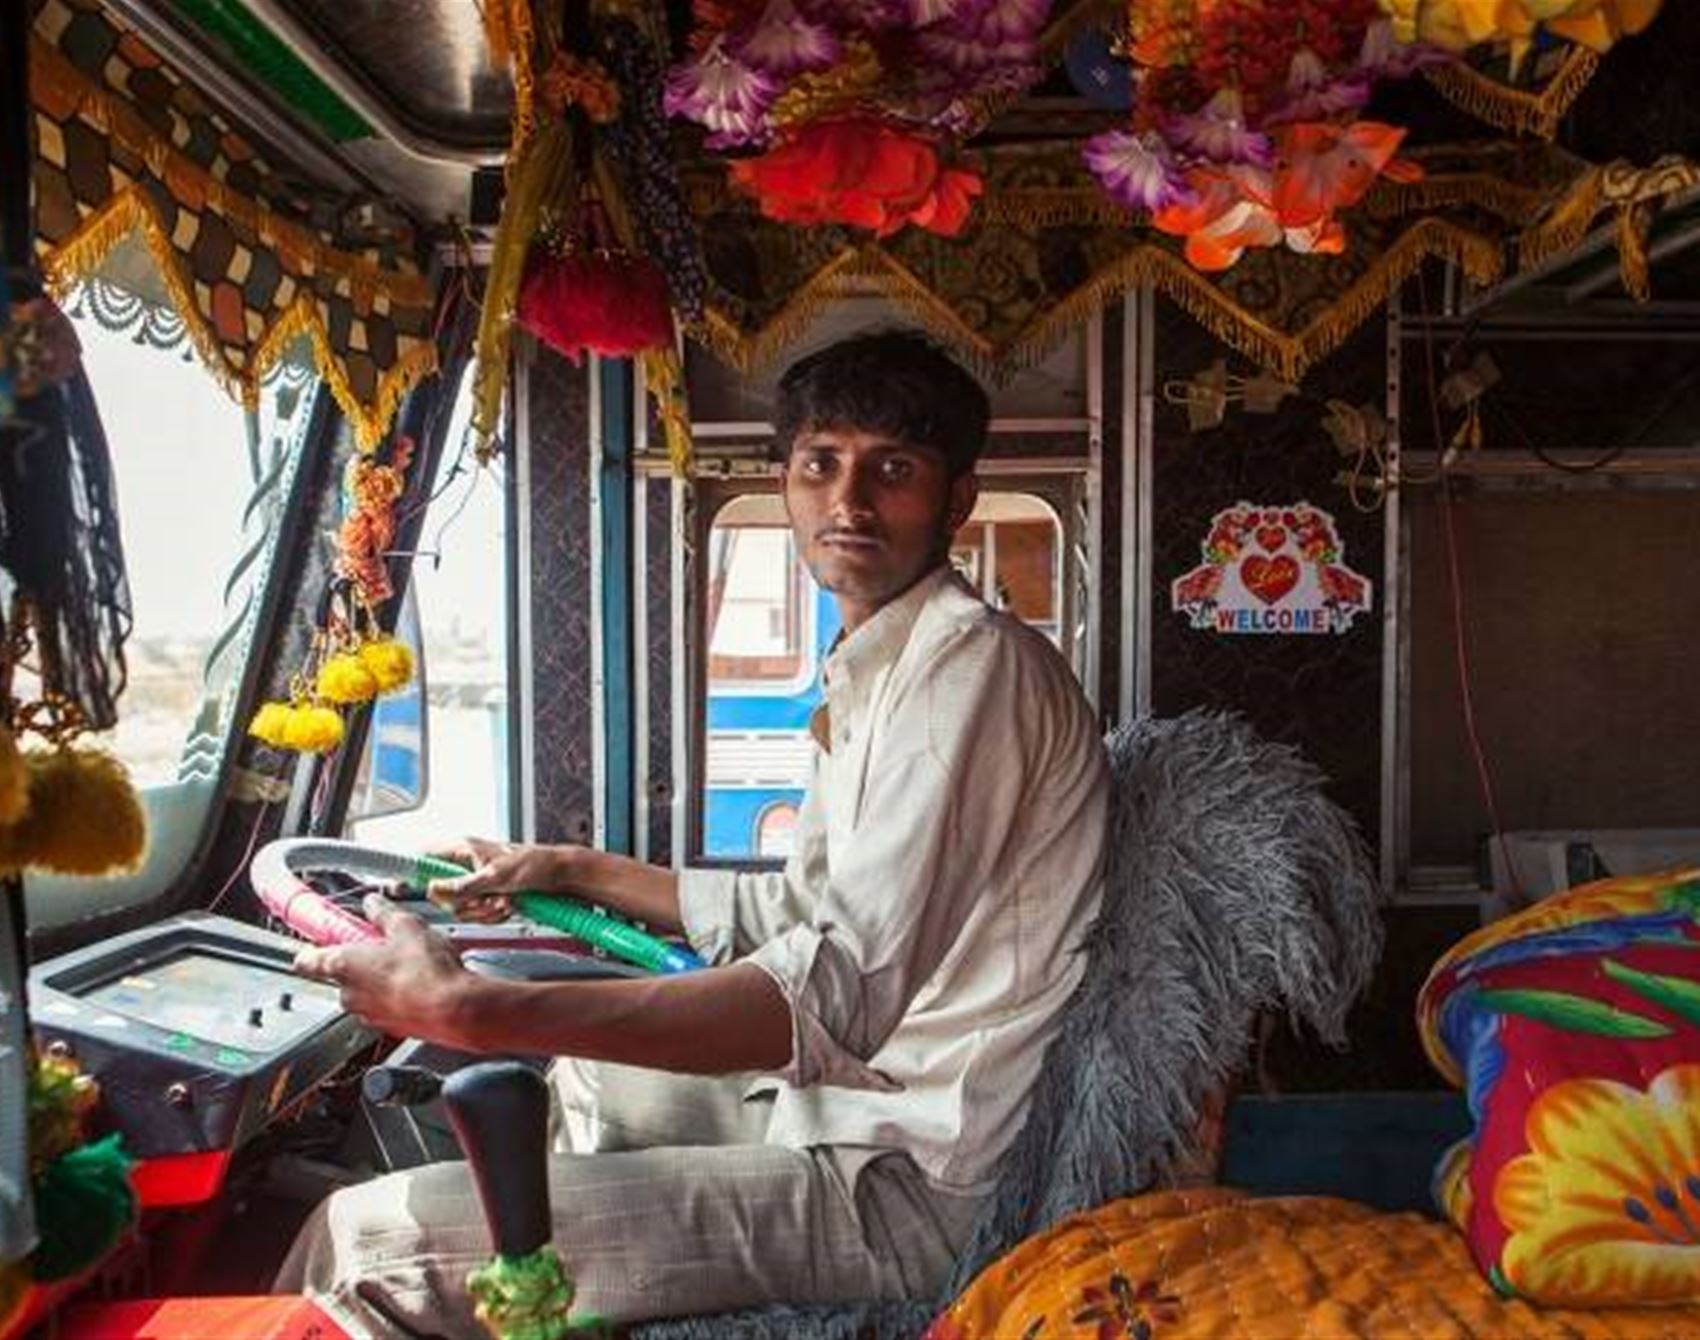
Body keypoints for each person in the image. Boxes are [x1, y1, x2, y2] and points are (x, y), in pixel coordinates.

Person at [279, 330, 1107, 1337]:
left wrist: (477, 1010)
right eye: (819, 465)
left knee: (363, 1240)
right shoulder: (881, 665)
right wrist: (572, 868)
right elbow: (792, 913)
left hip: (903, 1182)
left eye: (890, 470)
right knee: (585, 1076)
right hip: (841, 1109)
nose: (847, 503)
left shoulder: (966, 672)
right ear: (786, 482)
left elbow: (833, 989)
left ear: (955, 500)